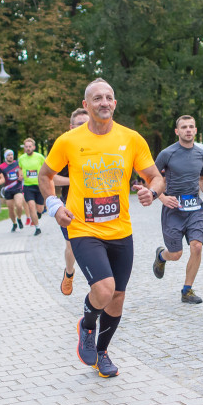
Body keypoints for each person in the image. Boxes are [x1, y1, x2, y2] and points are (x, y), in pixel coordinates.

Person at [39, 78, 162, 378]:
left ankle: (102, 352)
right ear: (86, 105)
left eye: (108, 97)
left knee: (118, 295)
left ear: (115, 103)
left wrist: (152, 192)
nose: (103, 102)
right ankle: (86, 324)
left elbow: (155, 176)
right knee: (104, 289)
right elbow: (45, 176)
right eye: (97, 98)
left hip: (120, 230)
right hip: (83, 228)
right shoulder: (68, 140)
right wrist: (55, 207)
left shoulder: (131, 139)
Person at [150, 115, 203, 304]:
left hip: (195, 208)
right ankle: (161, 255)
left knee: (197, 247)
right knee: (176, 254)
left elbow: (202, 178)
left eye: (191, 127)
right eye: (184, 127)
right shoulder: (167, 154)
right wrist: (161, 197)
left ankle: (187, 290)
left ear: (195, 130)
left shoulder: (201, 154)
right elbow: (152, 178)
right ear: (177, 131)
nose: (188, 130)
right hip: (173, 210)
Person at [58, 107, 90, 296]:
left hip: (95, 207)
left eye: (87, 124)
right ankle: (69, 274)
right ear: (71, 127)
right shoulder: (65, 148)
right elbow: (50, 178)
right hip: (70, 206)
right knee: (72, 246)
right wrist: (74, 180)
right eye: (80, 124)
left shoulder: (100, 146)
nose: (85, 128)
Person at [17, 138, 47, 236]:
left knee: (40, 209)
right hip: (28, 186)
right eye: (26, 147)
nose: (28, 148)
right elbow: (20, 169)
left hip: (39, 186)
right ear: (24, 148)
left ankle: (39, 214)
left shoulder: (40, 157)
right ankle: (37, 228)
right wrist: (20, 174)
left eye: (30, 146)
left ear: (33, 147)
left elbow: (45, 168)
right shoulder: (21, 158)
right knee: (31, 206)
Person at [0, 149, 26, 231]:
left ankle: (19, 218)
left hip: (17, 188)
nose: (10, 156)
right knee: (10, 208)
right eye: (8, 155)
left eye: (11, 155)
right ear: (5, 157)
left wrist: (22, 176)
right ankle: (14, 223)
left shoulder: (17, 164)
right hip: (8, 190)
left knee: (19, 205)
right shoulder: (2, 166)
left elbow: (23, 172)